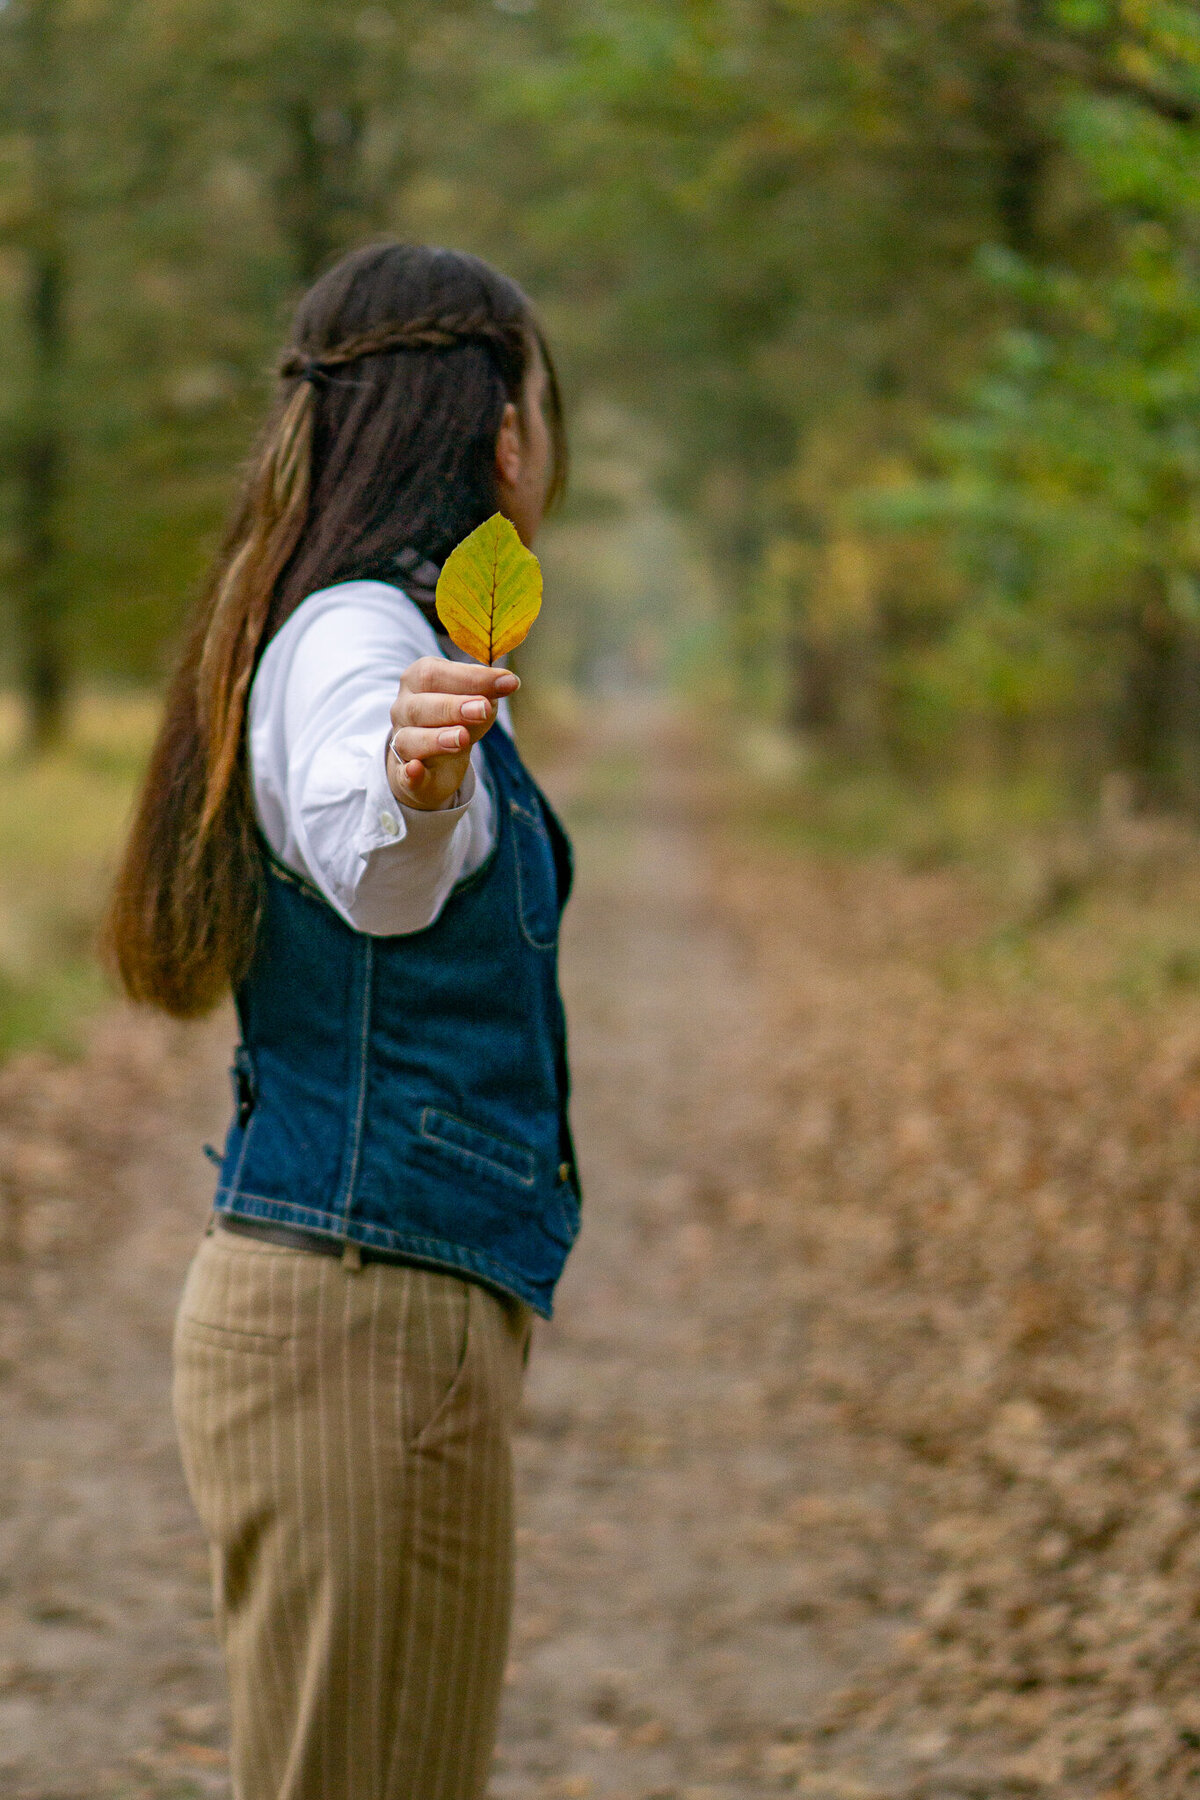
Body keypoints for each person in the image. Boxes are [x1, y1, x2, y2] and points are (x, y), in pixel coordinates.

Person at [104, 241, 581, 1800]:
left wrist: (419, 780)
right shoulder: (361, 644)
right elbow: (370, 860)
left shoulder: (324, 619)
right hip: (364, 1330)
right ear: (501, 434)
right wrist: (415, 782)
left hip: (355, 1318)